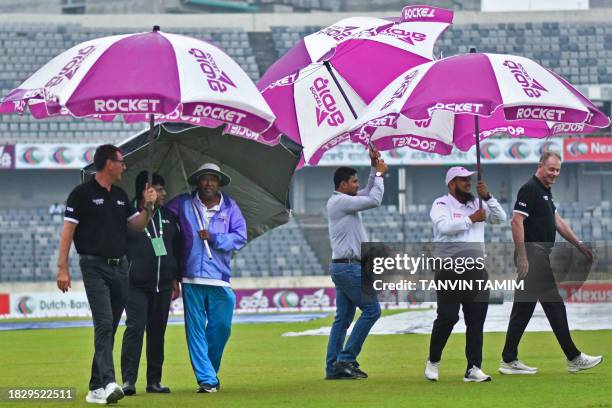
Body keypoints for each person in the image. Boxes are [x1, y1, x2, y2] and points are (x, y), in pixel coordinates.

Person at [56, 144, 156, 405]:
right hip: (94, 266)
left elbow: (137, 225)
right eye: (121, 162)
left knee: (109, 327)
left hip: (120, 267)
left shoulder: (121, 195)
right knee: (103, 324)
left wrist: (148, 207)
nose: (124, 166)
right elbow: (67, 232)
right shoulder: (81, 194)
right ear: (108, 163)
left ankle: (95, 387)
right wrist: (62, 268)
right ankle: (110, 382)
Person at [500, 151, 602, 374]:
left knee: (523, 309)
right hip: (533, 256)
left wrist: (578, 244)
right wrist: (523, 256)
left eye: (557, 170)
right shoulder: (529, 189)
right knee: (555, 306)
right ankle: (574, 357)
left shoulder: (545, 191)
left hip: (539, 255)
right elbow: (516, 221)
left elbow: (557, 221)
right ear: (540, 166)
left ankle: (508, 359)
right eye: (551, 169)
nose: (555, 174)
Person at [165, 163, 247, 393]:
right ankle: (207, 379)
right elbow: (163, 221)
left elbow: (240, 237)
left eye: (213, 179)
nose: (209, 183)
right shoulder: (182, 203)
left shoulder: (230, 207)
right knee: (195, 331)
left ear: (219, 182)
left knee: (222, 328)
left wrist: (215, 238)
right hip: (191, 278)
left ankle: (208, 369)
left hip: (220, 278)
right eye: (204, 178)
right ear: (197, 182)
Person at [425, 167, 506, 382]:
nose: (468, 183)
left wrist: (487, 197)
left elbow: (500, 218)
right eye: (463, 180)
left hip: (476, 269)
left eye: (469, 179)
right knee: (448, 317)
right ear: (451, 184)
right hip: (449, 268)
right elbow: (444, 227)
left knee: (476, 320)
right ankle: (433, 360)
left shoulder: (477, 203)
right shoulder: (441, 203)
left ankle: (473, 368)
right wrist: (471, 219)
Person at [325, 146, 387, 380]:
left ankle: (333, 368)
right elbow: (373, 199)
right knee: (372, 310)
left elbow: (367, 191)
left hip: (344, 265)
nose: (356, 186)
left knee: (342, 319)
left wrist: (373, 167)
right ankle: (346, 359)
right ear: (342, 185)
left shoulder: (340, 200)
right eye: (353, 182)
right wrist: (380, 175)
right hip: (349, 267)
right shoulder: (341, 202)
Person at [121, 171, 182, 396]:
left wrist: (175, 277)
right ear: (146, 190)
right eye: (159, 188)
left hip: (163, 285)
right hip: (134, 284)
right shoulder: (127, 215)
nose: (164, 193)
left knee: (157, 333)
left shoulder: (168, 216)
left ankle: (154, 381)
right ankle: (128, 380)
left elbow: (176, 248)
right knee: (135, 330)